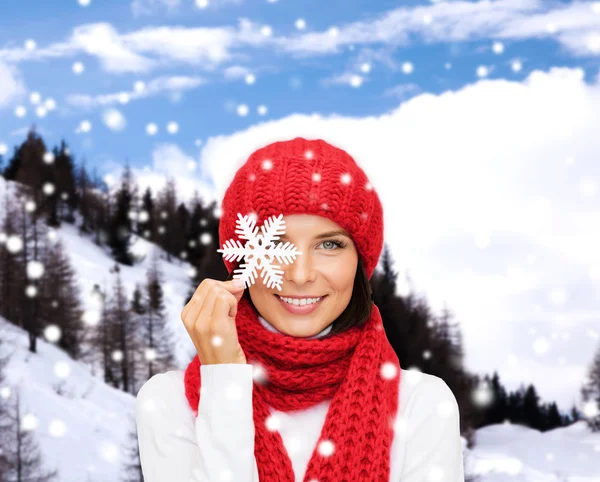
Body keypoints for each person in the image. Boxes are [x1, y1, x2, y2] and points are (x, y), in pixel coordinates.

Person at [135, 137, 465, 481]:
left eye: (329, 244)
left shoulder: (422, 406)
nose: (300, 274)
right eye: (276, 243)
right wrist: (224, 381)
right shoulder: (169, 403)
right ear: (242, 258)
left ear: (360, 261)